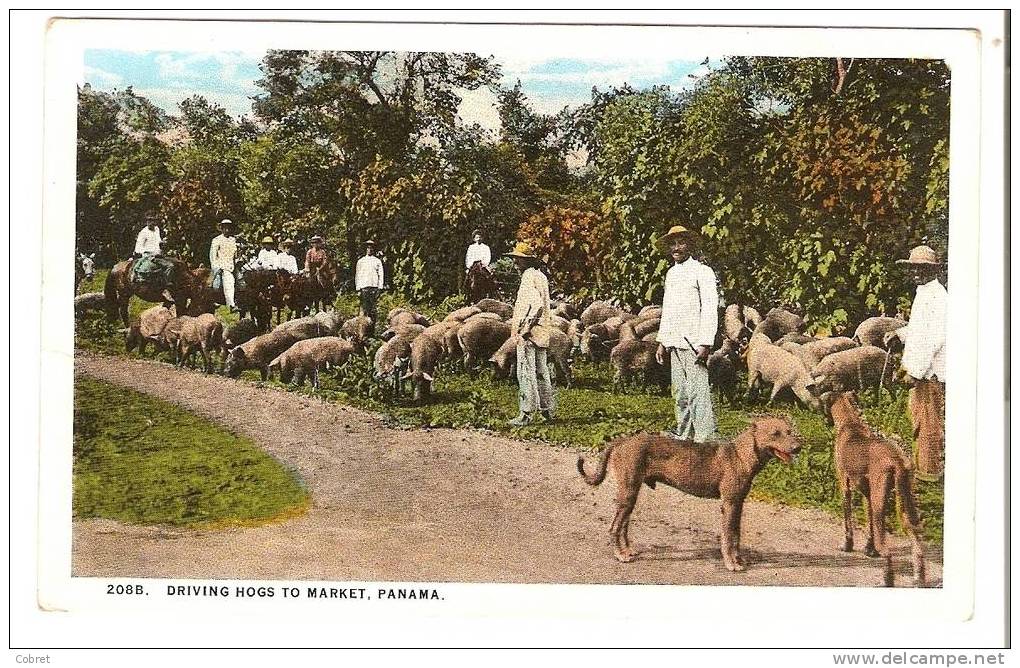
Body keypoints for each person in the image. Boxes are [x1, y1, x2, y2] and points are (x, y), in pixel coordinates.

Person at [654, 224, 719, 443]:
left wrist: (705, 342)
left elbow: (710, 309)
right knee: (680, 393)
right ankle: (683, 435)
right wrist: (662, 342)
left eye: (681, 242)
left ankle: (704, 439)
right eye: (672, 244)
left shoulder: (702, 272)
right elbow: (668, 310)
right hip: (675, 342)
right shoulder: (671, 274)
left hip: (694, 342)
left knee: (697, 393)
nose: (676, 248)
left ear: (689, 245)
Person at [892, 245, 947, 479]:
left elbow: (933, 339)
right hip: (923, 370)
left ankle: (929, 471)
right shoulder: (923, 293)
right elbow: (918, 330)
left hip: (929, 372)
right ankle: (924, 465)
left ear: (932, 270)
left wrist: (913, 371)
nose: (915, 273)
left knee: (928, 423)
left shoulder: (938, 297)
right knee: (919, 417)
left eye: (921, 268)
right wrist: (900, 334)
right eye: (912, 268)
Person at [506, 241, 556, 426]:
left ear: (527, 262)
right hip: (542, 330)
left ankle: (525, 413)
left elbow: (535, 305)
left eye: (518, 260)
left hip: (529, 332)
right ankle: (547, 410)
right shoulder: (540, 276)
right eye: (515, 260)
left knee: (525, 371)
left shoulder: (528, 277)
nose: (515, 263)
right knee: (542, 371)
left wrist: (526, 328)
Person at [210, 219, 240, 311]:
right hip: (222, 266)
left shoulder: (233, 240)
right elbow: (213, 255)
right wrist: (216, 266)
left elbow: (236, 255)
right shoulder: (216, 240)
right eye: (225, 228)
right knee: (229, 281)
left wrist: (239, 258)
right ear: (221, 229)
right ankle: (231, 305)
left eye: (229, 228)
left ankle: (242, 300)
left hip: (233, 265)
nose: (227, 230)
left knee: (244, 280)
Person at [354, 239, 384, 325]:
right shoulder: (361, 261)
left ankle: (372, 329)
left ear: (373, 250)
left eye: (371, 248)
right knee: (364, 309)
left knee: (373, 309)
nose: (369, 250)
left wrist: (380, 287)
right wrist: (358, 288)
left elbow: (381, 275)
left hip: (374, 287)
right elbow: (358, 275)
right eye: (368, 248)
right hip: (364, 287)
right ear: (365, 249)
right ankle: (364, 328)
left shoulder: (377, 261)